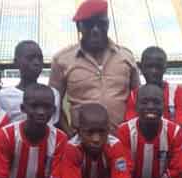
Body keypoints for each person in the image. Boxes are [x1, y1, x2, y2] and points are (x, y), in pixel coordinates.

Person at [49, 0, 139, 131]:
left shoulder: (126, 57)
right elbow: (53, 104)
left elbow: (138, 99)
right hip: (81, 144)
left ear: (108, 24)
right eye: (89, 24)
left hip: (121, 142)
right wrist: (69, 135)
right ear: (79, 27)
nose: (95, 29)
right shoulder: (62, 60)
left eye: (101, 23)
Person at [0, 40, 66, 132]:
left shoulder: (53, 93)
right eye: (30, 58)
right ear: (16, 62)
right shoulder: (4, 96)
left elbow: (54, 124)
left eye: (40, 58)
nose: (36, 62)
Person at [124, 46, 182, 130]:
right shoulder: (134, 95)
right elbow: (131, 127)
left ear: (165, 67)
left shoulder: (178, 92)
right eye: (149, 66)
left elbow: (181, 127)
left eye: (158, 67)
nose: (154, 71)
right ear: (141, 67)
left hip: (172, 142)